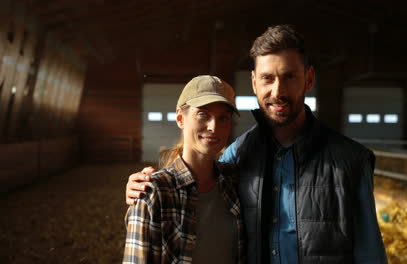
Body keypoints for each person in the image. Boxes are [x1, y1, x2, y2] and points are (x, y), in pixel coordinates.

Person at [126, 25, 387, 263]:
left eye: (289, 77)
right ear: (253, 82)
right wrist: (146, 185)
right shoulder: (237, 156)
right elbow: (196, 184)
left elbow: (370, 255)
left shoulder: (351, 160)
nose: (277, 91)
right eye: (267, 78)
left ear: (308, 79)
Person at [123, 75, 245, 264]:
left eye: (223, 118)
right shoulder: (153, 193)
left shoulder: (235, 182)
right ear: (180, 118)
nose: (214, 127)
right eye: (203, 114)